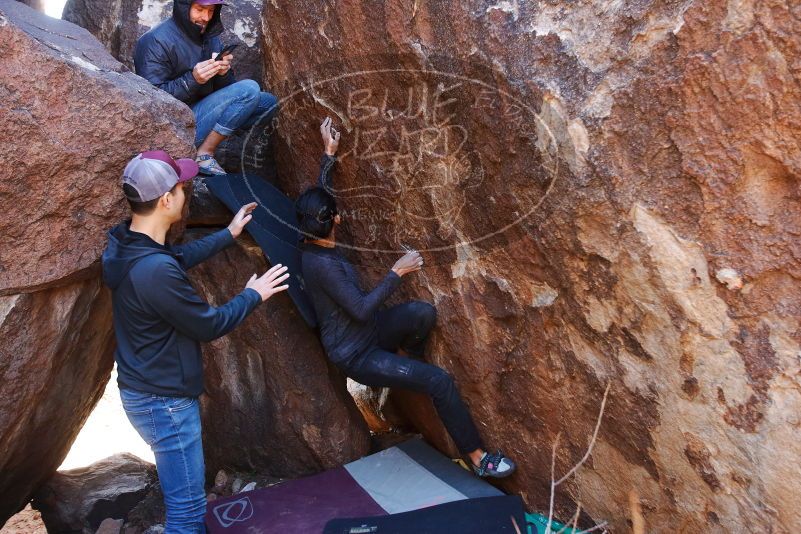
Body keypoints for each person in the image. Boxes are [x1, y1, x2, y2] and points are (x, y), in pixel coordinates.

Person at [297, 118, 516, 478]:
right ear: (335, 220)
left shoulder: (309, 234)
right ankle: (480, 460)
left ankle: (404, 363)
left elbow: (320, 200)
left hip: (368, 332)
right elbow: (361, 309)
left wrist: (328, 155)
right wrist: (397, 272)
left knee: (421, 313)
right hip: (356, 354)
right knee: (438, 381)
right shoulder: (323, 265)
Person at [102, 150, 290, 533]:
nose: (185, 192)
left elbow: (176, 257)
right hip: (164, 404)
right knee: (187, 514)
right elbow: (209, 324)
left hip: (145, 391)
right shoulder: (154, 270)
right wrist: (253, 294)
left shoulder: (127, 243)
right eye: (181, 187)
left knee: (186, 506)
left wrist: (228, 233)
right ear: (166, 200)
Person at [134, 0, 278, 176]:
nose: (206, 17)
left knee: (268, 103)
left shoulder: (209, 36)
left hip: (202, 112)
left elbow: (230, 94)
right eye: (200, 9)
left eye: (211, 11)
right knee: (249, 88)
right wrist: (192, 80)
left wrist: (223, 73)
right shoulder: (154, 41)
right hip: (174, 127)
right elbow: (152, 103)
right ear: (184, 7)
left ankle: (215, 141)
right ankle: (204, 153)